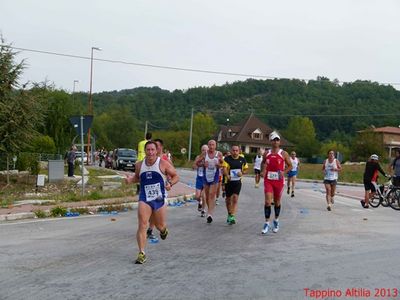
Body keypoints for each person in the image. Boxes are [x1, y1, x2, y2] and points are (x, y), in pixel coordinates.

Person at [126, 141, 179, 264]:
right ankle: (142, 253)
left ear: (156, 151)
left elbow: (176, 176)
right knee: (142, 224)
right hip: (145, 198)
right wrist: (130, 180)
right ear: (145, 151)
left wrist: (170, 183)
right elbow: (137, 178)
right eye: (148, 150)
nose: (150, 152)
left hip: (159, 198)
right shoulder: (139, 165)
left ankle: (163, 230)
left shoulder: (163, 164)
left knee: (160, 225)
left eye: (152, 150)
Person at [261, 131, 292, 234]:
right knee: (268, 202)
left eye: (277, 140)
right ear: (271, 141)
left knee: (277, 201)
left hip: (279, 181)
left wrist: (284, 172)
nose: (275, 142)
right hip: (268, 180)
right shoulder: (267, 153)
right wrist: (263, 171)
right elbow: (263, 163)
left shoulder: (283, 153)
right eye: (274, 140)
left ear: (279, 142)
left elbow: (290, 165)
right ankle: (266, 223)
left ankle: (276, 220)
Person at [146, 138, 173, 240]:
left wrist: (169, 182)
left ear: (161, 147)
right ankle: (150, 229)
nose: (154, 149)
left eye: (156, 146)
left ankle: (159, 228)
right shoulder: (149, 158)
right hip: (149, 190)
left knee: (156, 214)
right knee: (151, 210)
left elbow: (173, 174)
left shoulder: (166, 160)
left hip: (161, 191)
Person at [196, 139, 223, 224]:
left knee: (212, 194)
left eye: (213, 145)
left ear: (215, 146)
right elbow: (197, 163)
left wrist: (219, 165)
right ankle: (209, 210)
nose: (211, 146)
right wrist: (203, 164)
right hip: (206, 176)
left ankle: (210, 214)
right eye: (210, 145)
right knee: (207, 196)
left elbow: (222, 164)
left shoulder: (219, 154)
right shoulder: (204, 154)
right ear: (208, 146)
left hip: (215, 176)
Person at [222, 145, 248, 225]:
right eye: (233, 150)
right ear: (231, 150)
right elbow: (224, 169)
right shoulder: (227, 158)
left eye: (236, 150)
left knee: (235, 198)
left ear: (239, 151)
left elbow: (246, 169)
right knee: (228, 199)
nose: (235, 152)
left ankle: (232, 216)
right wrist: (227, 176)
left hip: (237, 182)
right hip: (229, 181)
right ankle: (229, 214)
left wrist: (242, 173)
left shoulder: (242, 159)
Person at [193, 145, 209, 217]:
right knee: (197, 196)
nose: (205, 151)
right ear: (201, 151)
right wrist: (200, 164)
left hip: (206, 179)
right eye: (203, 150)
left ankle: (203, 210)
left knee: (203, 195)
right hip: (199, 178)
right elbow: (194, 167)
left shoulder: (209, 158)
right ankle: (200, 202)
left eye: (206, 150)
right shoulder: (198, 157)